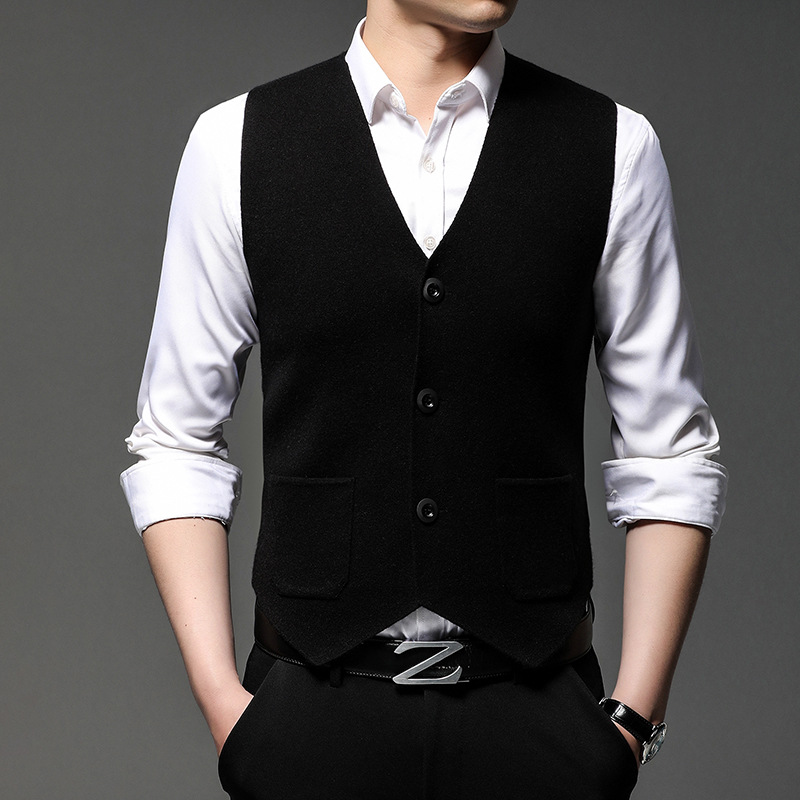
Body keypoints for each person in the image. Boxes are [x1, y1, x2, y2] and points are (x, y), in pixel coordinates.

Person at [120, 2, 728, 798]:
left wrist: (630, 724)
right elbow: (175, 440)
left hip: (540, 720)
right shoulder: (235, 143)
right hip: (310, 719)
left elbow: (670, 449)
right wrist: (227, 710)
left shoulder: (613, 144)